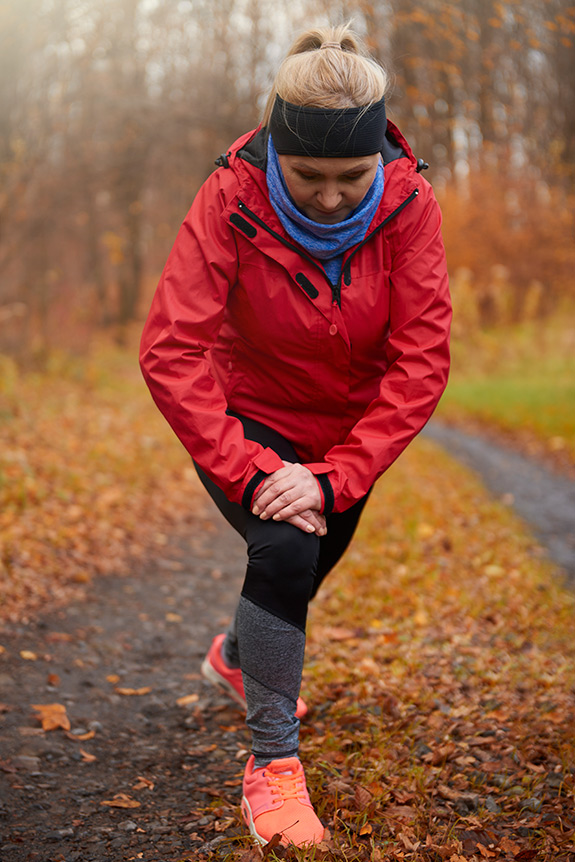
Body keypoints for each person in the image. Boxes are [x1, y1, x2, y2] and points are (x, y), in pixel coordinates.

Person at [140, 22, 451, 849]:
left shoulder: (411, 206)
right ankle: (272, 769)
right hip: (249, 413)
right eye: (307, 175)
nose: (328, 196)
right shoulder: (229, 197)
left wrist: (338, 474)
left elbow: (422, 360)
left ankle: (239, 655)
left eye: (350, 177)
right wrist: (249, 471)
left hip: (347, 434)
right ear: (276, 151)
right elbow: (170, 347)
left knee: (314, 548)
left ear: (378, 158)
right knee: (284, 548)